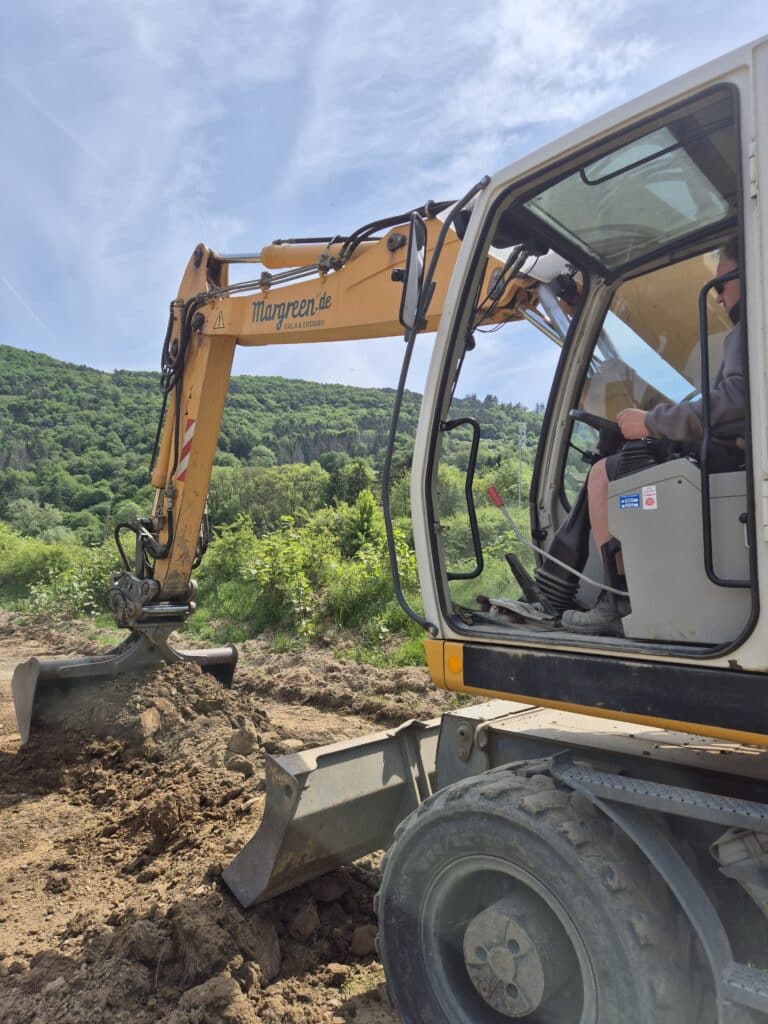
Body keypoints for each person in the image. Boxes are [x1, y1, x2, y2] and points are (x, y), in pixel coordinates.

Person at [562, 238, 743, 636]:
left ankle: (617, 598)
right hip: (739, 457)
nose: (716, 298)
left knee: (603, 476)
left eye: (719, 286)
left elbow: (735, 404)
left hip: (734, 464)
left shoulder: (747, 332)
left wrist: (653, 423)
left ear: (743, 275)